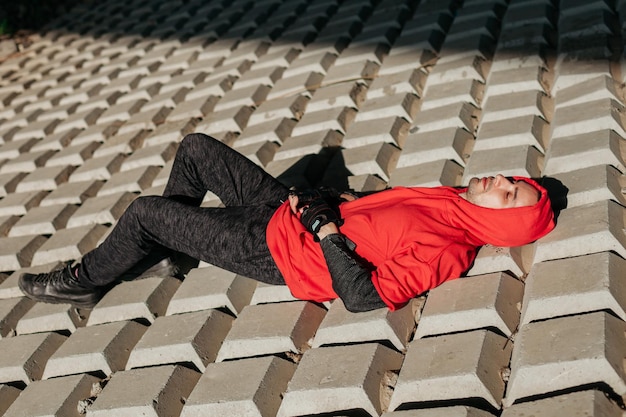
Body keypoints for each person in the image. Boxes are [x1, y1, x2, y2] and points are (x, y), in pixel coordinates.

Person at [18, 133, 555, 312]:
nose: (501, 180)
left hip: (277, 249)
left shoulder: (448, 250)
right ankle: (165, 246)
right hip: (289, 212)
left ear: (504, 227)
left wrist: (325, 229)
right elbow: (379, 214)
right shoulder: (450, 202)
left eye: (510, 195)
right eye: (513, 180)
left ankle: (84, 282)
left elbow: (363, 296)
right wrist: (336, 199)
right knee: (196, 150)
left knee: (142, 211)